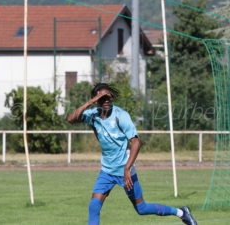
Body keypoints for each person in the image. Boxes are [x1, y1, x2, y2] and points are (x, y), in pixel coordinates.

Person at [67, 83, 198, 225]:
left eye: (108, 97)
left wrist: (127, 168)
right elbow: (71, 119)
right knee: (94, 206)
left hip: (125, 169)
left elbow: (136, 142)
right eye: (102, 98)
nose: (106, 101)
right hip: (107, 170)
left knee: (142, 208)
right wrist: (90, 102)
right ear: (96, 99)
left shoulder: (121, 116)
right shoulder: (92, 115)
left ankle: (181, 212)